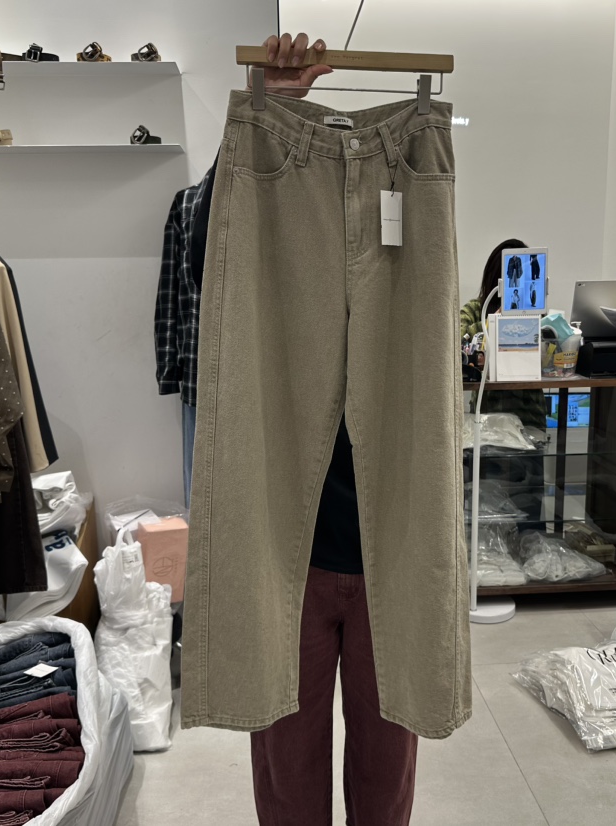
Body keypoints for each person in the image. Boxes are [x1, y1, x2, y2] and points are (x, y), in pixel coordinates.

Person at [184, 33, 419, 825]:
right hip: (287, 552)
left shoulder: (407, 216)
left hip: (390, 551)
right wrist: (268, 115)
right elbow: (210, 255)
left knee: (386, 772)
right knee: (287, 772)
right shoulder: (250, 223)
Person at [461, 239, 547, 526]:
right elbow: (458, 337)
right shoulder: (476, 309)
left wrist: (525, 318)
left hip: (529, 422)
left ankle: (530, 544)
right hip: (489, 424)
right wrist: (493, 322)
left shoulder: (534, 310)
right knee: (486, 504)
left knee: (529, 503)